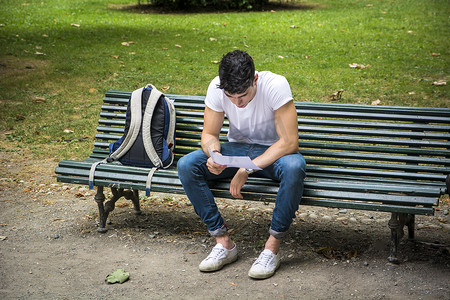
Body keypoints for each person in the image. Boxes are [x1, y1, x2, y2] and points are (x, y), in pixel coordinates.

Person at [177, 50, 306, 279]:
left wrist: (248, 168)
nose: (238, 104)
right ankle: (223, 242)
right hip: (235, 149)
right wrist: (215, 154)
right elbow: (208, 134)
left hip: (273, 152)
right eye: (231, 97)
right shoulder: (217, 86)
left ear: (254, 79)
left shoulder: (276, 85)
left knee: (295, 167)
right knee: (187, 164)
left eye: (243, 96)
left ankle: (271, 249)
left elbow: (289, 142)